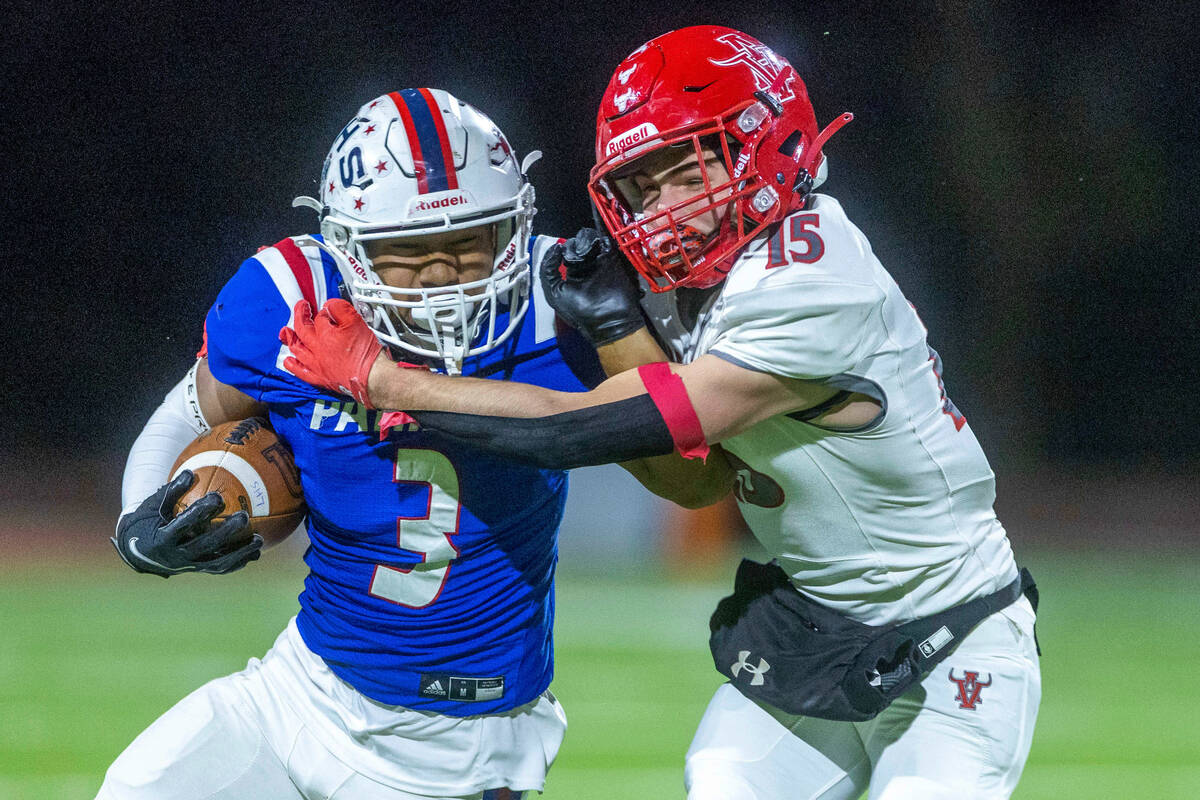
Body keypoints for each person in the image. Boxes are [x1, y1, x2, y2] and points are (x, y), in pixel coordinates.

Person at [281, 27, 1043, 800]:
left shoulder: (813, 283)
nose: (662, 210)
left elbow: (568, 430)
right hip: (818, 626)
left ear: (762, 143)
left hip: (953, 638)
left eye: (682, 173)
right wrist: (621, 327)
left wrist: (389, 382)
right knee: (720, 780)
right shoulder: (719, 275)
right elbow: (696, 479)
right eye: (641, 189)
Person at [100, 88, 601, 800]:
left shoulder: (565, 306)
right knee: (139, 786)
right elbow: (192, 406)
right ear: (348, 250)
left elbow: (663, 444)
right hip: (304, 690)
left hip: (462, 737)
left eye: (468, 242)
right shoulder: (293, 295)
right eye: (407, 252)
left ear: (514, 230)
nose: (439, 274)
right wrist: (138, 517)